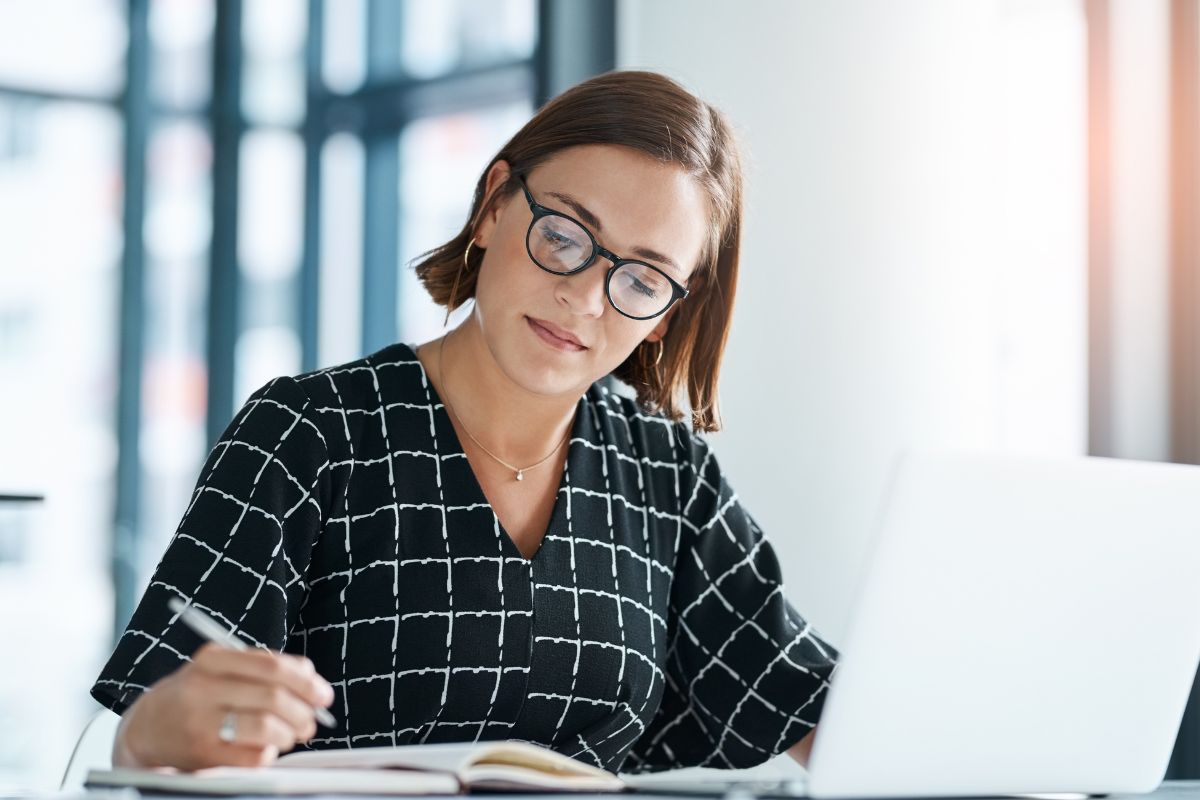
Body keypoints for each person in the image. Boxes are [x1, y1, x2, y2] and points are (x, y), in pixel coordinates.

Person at [91, 69, 839, 775]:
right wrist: (159, 728)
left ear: (668, 313)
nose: (585, 298)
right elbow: (147, 737)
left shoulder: (665, 474)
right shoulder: (309, 434)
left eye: (641, 278)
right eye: (565, 238)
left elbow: (816, 705)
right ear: (493, 206)